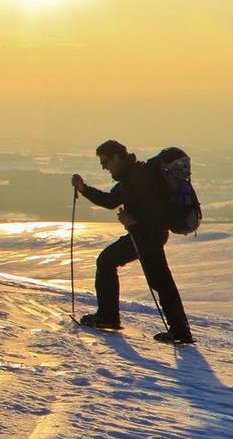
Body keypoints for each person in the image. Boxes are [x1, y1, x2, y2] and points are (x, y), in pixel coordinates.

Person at [71, 139, 194, 345]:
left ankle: (109, 317)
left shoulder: (140, 177)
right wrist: (83, 188)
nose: (104, 167)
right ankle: (179, 330)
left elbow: (155, 211)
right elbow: (111, 201)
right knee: (158, 280)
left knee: (113, 264)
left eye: (106, 161)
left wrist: (134, 222)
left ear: (118, 157)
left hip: (148, 235)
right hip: (146, 234)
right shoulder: (131, 177)